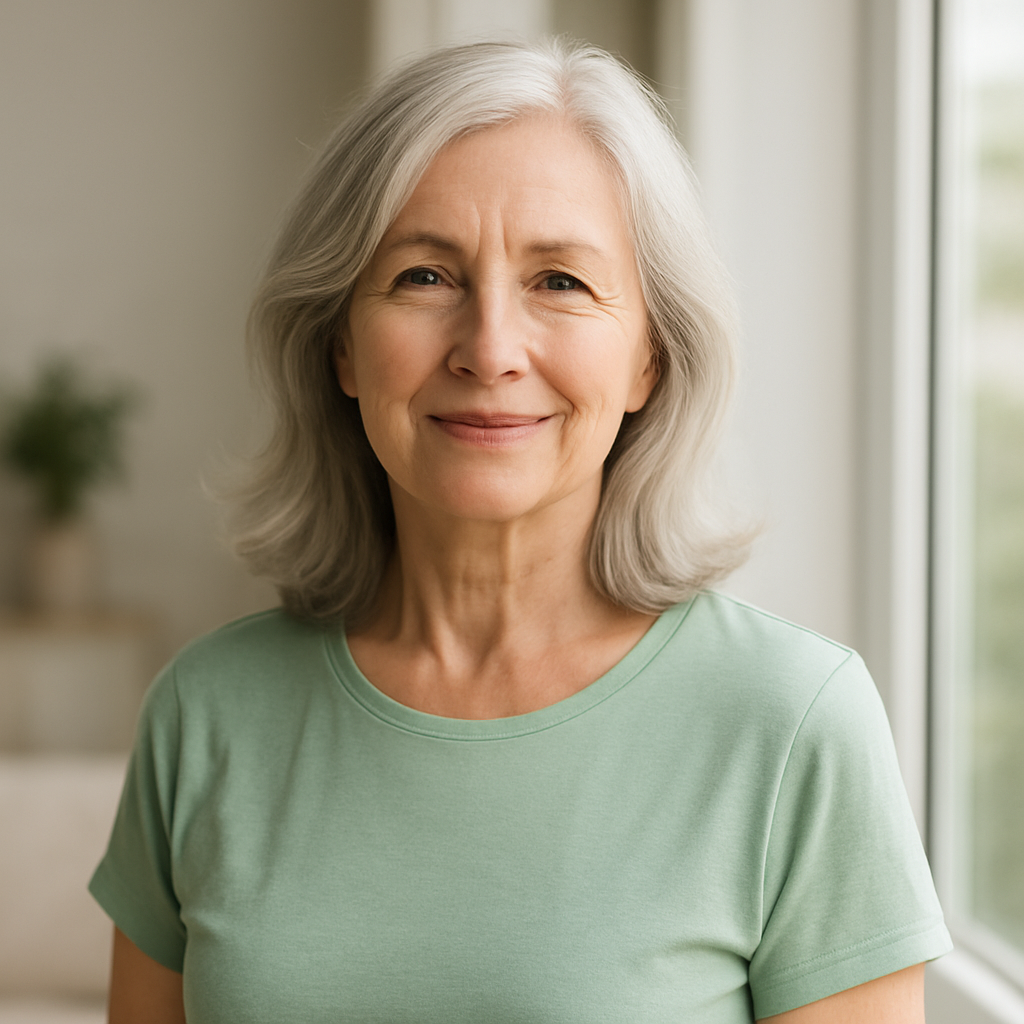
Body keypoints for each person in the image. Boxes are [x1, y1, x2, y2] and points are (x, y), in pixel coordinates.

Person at [90, 39, 952, 1023]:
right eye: (424, 276)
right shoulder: (204, 714)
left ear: (648, 361)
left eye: (560, 282)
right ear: (340, 344)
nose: (490, 349)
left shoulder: (792, 723)